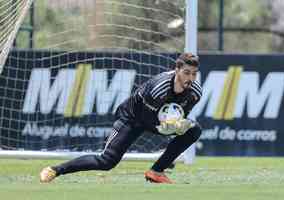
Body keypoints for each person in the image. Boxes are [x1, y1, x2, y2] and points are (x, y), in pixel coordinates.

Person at [40, 52, 202, 184]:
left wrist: (179, 125)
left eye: (194, 74)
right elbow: (146, 118)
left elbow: (179, 114)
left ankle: (157, 171)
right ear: (177, 70)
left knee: (194, 130)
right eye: (186, 73)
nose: (190, 78)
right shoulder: (159, 88)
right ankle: (55, 170)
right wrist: (168, 127)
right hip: (132, 118)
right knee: (106, 162)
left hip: (158, 121)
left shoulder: (195, 92)